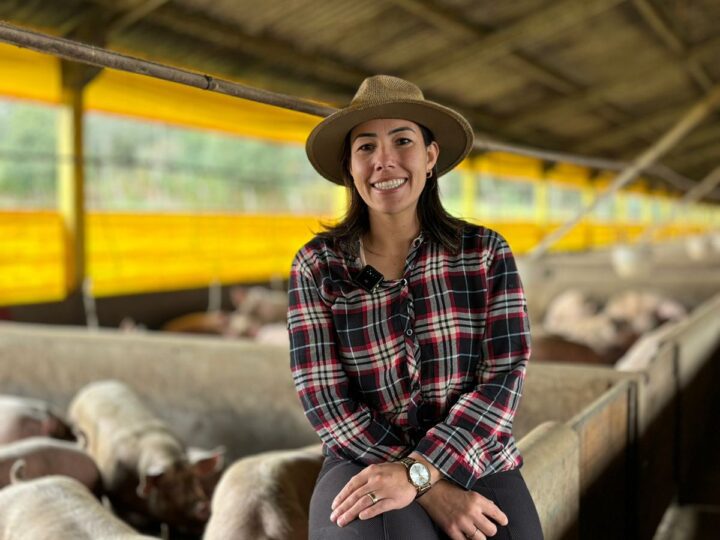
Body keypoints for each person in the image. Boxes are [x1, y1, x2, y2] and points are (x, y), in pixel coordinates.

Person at [287, 75, 543, 540]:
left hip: (477, 451)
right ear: (350, 166)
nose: (384, 161)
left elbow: (505, 376)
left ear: (429, 156)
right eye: (366, 148)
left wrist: (421, 470)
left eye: (401, 141)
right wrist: (426, 485)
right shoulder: (318, 264)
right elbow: (323, 396)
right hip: (362, 458)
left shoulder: (484, 252)